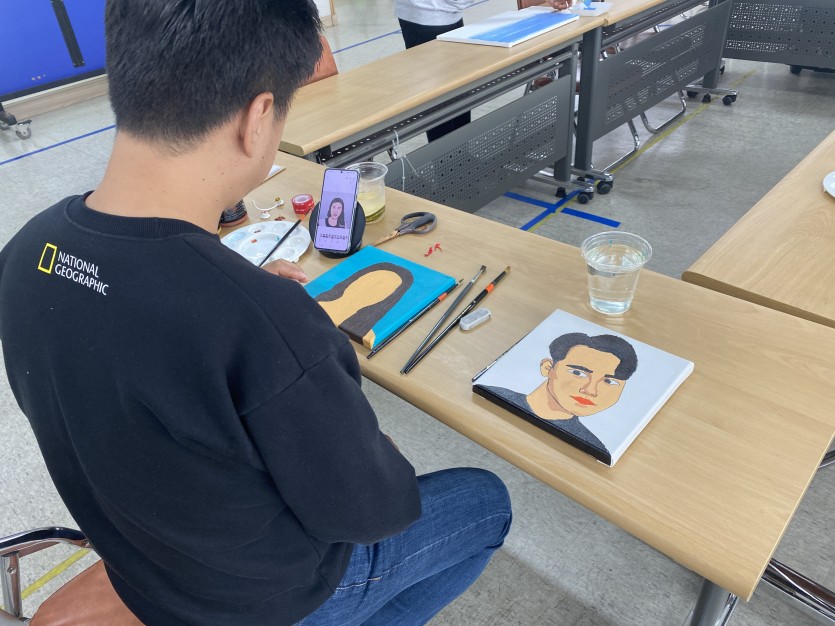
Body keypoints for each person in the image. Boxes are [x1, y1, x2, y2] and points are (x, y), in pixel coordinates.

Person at [0, 2, 511, 625]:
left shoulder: (25, 250)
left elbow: (129, 327)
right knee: (487, 502)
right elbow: (372, 512)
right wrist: (269, 320)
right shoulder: (262, 322)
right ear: (259, 116)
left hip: (144, 560)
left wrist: (239, 293)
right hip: (261, 600)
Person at [395, 0, 576, 141]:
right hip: (426, 15)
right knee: (440, 100)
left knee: (459, 91)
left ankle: (459, 157)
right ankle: (446, 166)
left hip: (446, 12)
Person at [483, 333, 638, 458]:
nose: (591, 390)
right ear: (548, 368)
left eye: (609, 381)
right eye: (578, 373)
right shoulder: (490, 395)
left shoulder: (592, 446)